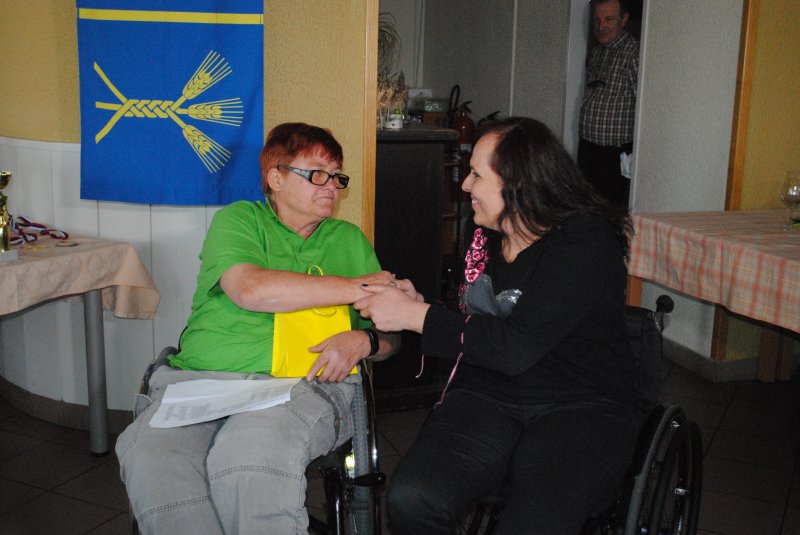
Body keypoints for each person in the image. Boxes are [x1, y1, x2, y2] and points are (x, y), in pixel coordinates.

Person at [355, 117, 643, 534]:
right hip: (488, 393)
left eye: (476, 175)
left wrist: (416, 318)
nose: (465, 186)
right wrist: (419, 305)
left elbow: (515, 346)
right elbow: (475, 317)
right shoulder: (484, 234)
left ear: (518, 183)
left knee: (535, 521)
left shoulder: (585, 242)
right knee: (412, 497)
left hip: (579, 402)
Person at [116, 122, 399, 534]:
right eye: (316, 174)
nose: (332, 186)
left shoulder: (347, 240)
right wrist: (358, 286)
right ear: (275, 178)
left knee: (247, 461)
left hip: (300, 385)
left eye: (337, 176)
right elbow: (250, 289)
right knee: (152, 460)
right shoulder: (240, 220)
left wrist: (365, 339)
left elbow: (392, 335)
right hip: (202, 381)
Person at [577, 0, 639, 208]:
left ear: (624, 19)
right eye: (597, 20)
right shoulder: (597, 53)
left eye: (608, 19)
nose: (601, 26)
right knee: (585, 206)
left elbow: (644, 105)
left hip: (614, 156)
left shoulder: (633, 53)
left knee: (608, 212)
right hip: (588, 149)